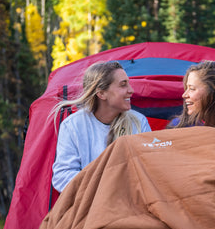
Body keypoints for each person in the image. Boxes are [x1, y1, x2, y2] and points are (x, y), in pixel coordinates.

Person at [51, 61, 151, 193]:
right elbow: (62, 177)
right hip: (89, 205)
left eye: (128, 83)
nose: (131, 90)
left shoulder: (138, 122)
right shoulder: (73, 126)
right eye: (123, 85)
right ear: (101, 93)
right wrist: (104, 185)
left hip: (130, 203)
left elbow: (149, 167)